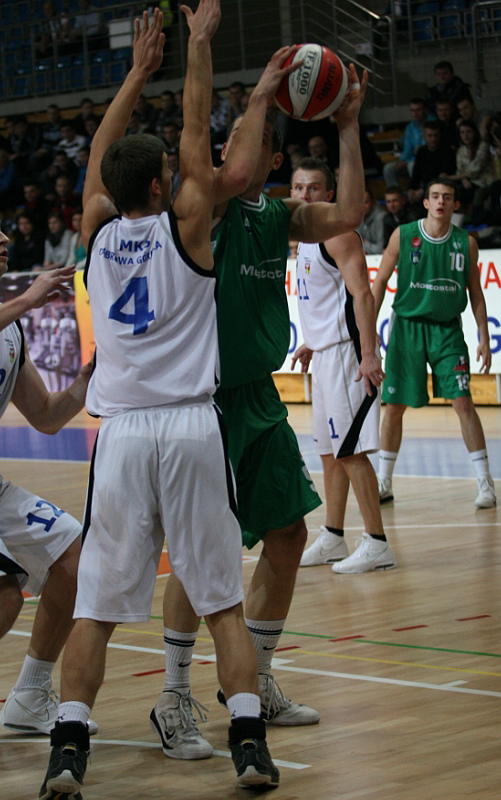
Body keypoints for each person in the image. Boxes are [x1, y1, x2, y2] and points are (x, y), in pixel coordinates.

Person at [37, 5, 281, 796]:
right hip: (189, 428)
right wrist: (196, 47)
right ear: (159, 184)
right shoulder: (189, 226)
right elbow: (195, 132)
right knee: (221, 603)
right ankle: (249, 744)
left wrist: (135, 71)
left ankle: (68, 749)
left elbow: (99, 159)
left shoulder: (96, 234)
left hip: (122, 435)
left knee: (97, 610)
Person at [152, 53, 368, 757]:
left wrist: (347, 126)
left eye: (250, 145)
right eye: (230, 147)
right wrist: (261, 96)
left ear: (274, 158)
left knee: (287, 536)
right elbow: (226, 168)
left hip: (261, 399)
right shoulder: (204, 208)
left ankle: (257, 677)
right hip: (204, 401)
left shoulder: (279, 217)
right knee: (200, 552)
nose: (233, 155)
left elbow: (351, 212)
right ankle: (172, 696)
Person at [0, 205, 95, 777]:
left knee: (75, 558)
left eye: (1, 228)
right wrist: (25, 301)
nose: (3, 237)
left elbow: (44, 416)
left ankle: (28, 694)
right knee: (0, 599)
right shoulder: (1, 314)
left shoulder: (8, 326)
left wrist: (86, 381)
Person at [290, 158, 395, 573]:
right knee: (329, 452)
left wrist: (368, 353)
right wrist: (312, 342)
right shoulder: (303, 240)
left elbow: (362, 295)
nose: (304, 196)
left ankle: (377, 542)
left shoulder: (338, 235)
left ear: (329, 194)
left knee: (350, 451)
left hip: (348, 356)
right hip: (325, 354)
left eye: (313, 188)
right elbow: (328, 300)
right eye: (298, 188)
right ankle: (333, 536)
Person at [372, 180, 496, 509]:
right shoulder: (403, 235)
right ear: (426, 203)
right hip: (407, 328)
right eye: (436, 196)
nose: (441, 202)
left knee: (463, 402)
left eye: (448, 198)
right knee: (394, 406)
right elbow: (380, 280)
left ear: (455, 205)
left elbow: (476, 292)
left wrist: (483, 336)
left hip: (447, 330)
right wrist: (368, 328)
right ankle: (384, 481)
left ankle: (485, 482)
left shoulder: (465, 243)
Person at [383, 98, 432, 189]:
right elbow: (408, 149)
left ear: (425, 110)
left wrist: (407, 162)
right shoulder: (410, 127)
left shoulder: (432, 122)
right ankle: (396, 194)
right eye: (412, 110)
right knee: (388, 168)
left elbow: (425, 150)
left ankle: (417, 192)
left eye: (418, 110)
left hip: (427, 161)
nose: (415, 113)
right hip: (411, 160)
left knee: (412, 165)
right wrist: (402, 161)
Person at [408, 120, 456, 210]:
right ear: (424, 136)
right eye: (430, 136)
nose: (433, 139)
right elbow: (416, 173)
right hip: (424, 188)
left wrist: (423, 190)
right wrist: (412, 189)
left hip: (441, 189)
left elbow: (442, 177)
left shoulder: (447, 151)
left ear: (440, 135)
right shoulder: (421, 152)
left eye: (435, 135)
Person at [357, 188, 386, 254]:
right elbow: (355, 245)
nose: (362, 206)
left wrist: (365, 244)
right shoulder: (356, 217)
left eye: (366, 202)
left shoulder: (381, 218)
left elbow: (381, 249)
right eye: (359, 202)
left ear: (373, 203)